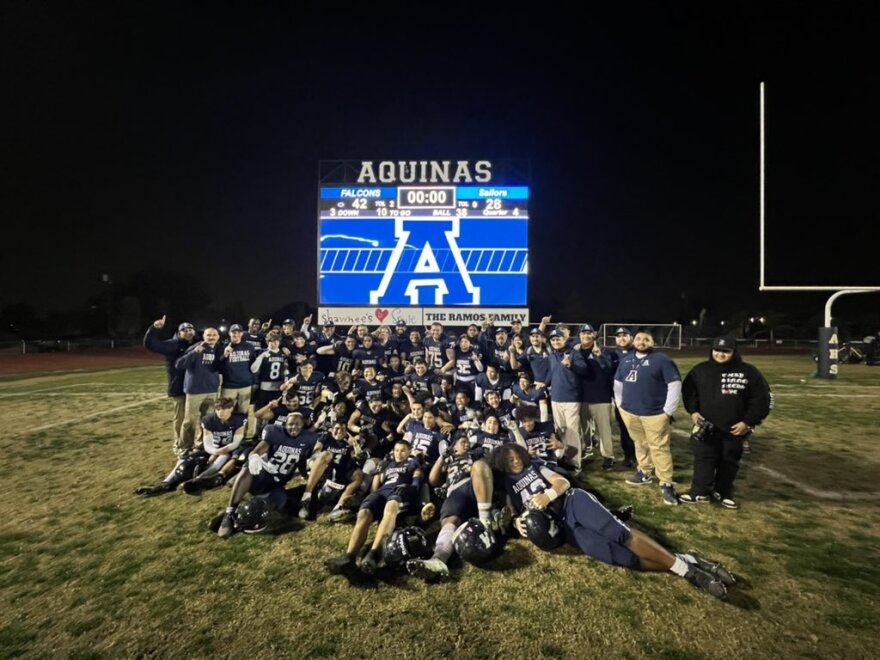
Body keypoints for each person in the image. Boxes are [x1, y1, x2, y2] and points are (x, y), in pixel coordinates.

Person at [491, 443, 734, 599]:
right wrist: (517, 525)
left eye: (517, 457)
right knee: (622, 558)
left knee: (621, 535)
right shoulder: (507, 488)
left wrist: (548, 495)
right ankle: (689, 560)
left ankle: (689, 573)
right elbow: (511, 516)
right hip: (565, 530)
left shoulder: (536, 466)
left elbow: (562, 483)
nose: (516, 462)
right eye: (510, 460)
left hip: (573, 503)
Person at [680, 336, 772, 509]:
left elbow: (761, 400)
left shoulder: (749, 372)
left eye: (725, 351)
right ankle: (699, 491)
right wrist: (693, 411)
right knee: (704, 459)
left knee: (729, 461)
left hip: (735, 428)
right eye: (717, 350)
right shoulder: (700, 370)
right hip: (706, 426)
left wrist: (748, 422)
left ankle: (723, 492)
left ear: (734, 352)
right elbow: (689, 392)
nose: (720, 354)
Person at [406, 433, 504, 581]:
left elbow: (487, 467)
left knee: (479, 465)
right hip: (455, 491)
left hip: (476, 485)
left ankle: (486, 523)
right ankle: (438, 560)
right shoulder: (449, 460)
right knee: (450, 521)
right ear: (454, 446)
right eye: (462, 442)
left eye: (467, 442)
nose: (466, 444)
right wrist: (442, 457)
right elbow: (432, 480)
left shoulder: (475, 453)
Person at [324, 439, 427, 575]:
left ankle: (374, 554)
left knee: (391, 507)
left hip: (400, 491)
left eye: (403, 450)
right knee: (364, 513)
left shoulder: (413, 463)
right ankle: (349, 556)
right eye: (396, 450)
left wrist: (409, 488)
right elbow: (376, 485)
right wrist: (369, 498)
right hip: (382, 491)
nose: (399, 453)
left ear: (409, 451)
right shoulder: (388, 464)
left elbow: (417, 483)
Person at [217, 413, 325, 537]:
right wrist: (254, 457)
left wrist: (314, 458)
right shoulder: (276, 433)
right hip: (264, 475)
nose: (294, 427)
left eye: (297, 424)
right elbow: (256, 451)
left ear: (302, 425)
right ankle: (229, 513)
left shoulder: (309, 438)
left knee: (280, 501)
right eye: (290, 424)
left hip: (277, 484)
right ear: (285, 425)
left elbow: (317, 452)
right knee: (247, 468)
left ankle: (245, 513)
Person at [614, 329, 682, 505]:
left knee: (659, 447)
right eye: (638, 339)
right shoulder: (627, 359)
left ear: (652, 342)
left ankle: (666, 482)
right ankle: (644, 471)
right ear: (633, 341)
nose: (641, 342)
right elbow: (618, 383)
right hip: (630, 412)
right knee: (640, 443)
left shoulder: (662, 360)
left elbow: (674, 384)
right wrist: (621, 405)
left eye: (646, 339)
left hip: (654, 413)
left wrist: (668, 410)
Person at [143, 316, 197, 453]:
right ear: (179, 333)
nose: (188, 332)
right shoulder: (172, 344)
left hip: (196, 387)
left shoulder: (198, 343)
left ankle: (194, 442)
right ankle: (179, 443)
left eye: (190, 329)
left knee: (194, 418)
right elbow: (150, 344)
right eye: (185, 330)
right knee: (180, 417)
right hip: (179, 387)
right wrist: (154, 328)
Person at [545, 329, 590, 472]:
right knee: (560, 430)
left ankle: (575, 463)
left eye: (558, 339)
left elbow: (584, 370)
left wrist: (571, 364)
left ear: (564, 340)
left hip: (571, 398)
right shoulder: (552, 355)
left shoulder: (573, 353)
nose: (555, 342)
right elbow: (552, 373)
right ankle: (564, 457)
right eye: (553, 340)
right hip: (556, 398)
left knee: (572, 431)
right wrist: (544, 383)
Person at [175, 327, 224, 455]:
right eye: (208, 335)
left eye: (214, 335)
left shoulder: (219, 349)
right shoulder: (196, 347)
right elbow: (179, 364)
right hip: (195, 391)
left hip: (212, 390)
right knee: (189, 421)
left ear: (218, 337)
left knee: (207, 421)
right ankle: (185, 447)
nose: (211, 337)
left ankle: (201, 444)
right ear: (204, 336)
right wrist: (194, 353)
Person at [575, 324, 617, 470]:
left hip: (601, 396)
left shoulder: (604, 350)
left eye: (588, 333)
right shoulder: (576, 351)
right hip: (583, 397)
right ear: (579, 336)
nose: (585, 336)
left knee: (604, 429)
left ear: (593, 335)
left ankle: (608, 457)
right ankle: (587, 448)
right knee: (584, 428)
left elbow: (609, 369)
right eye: (582, 333)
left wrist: (599, 357)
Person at [610, 327, 637, 467]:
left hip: (638, 398)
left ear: (631, 338)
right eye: (618, 336)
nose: (621, 338)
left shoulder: (639, 353)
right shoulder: (611, 355)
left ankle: (644, 456)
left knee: (641, 429)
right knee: (625, 429)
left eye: (624, 335)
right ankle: (630, 456)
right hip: (620, 400)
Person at [220, 324, 257, 415]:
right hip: (229, 386)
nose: (236, 335)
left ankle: (241, 430)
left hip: (245, 385)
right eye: (233, 332)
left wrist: (254, 381)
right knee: (225, 412)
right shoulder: (222, 346)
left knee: (243, 413)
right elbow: (217, 366)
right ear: (229, 333)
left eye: (238, 332)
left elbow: (253, 366)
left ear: (242, 334)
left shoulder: (249, 347)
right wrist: (224, 355)